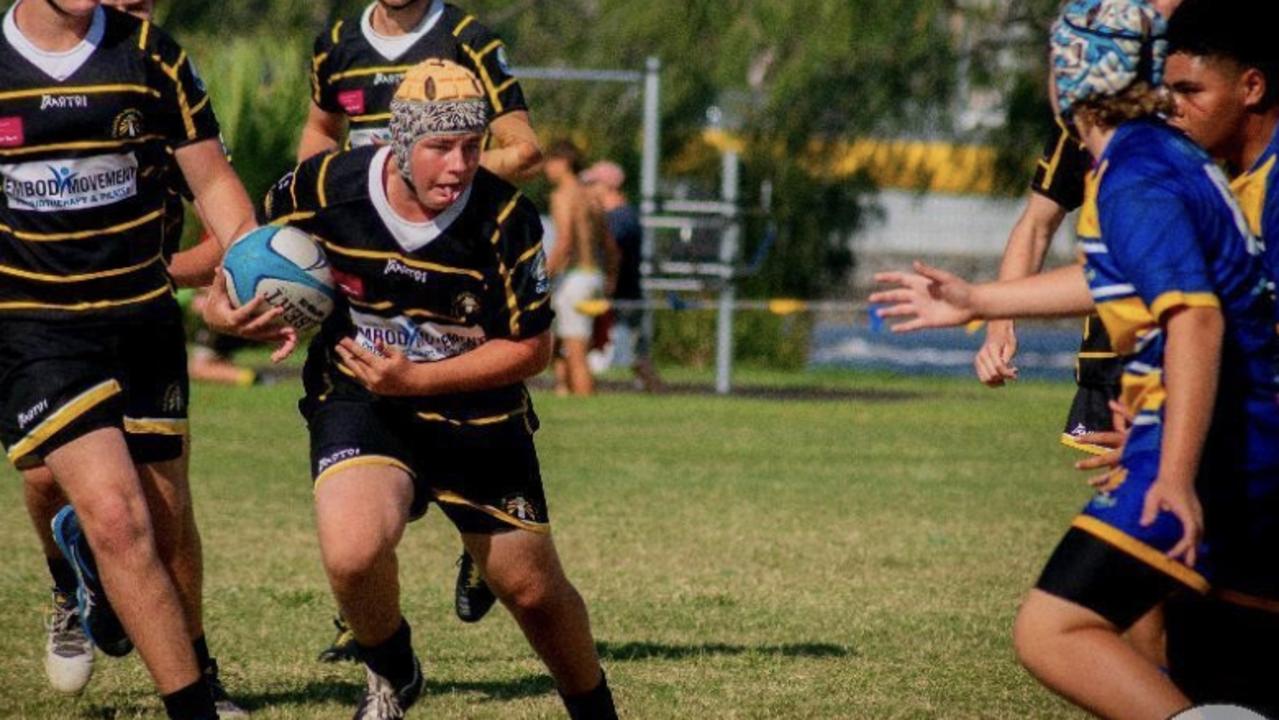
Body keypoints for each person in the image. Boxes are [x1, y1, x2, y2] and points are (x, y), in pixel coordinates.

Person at [871, 0, 1279, 717]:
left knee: (1052, 629)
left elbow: (1195, 320)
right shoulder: (1151, 157)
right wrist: (979, 301)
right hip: (1226, 440)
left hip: (1221, 451)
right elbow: (1132, 272)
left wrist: (1178, 468)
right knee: (1214, 664)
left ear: (1067, 76)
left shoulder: (1134, 175)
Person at [205, 59, 617, 719]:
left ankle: (595, 709)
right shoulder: (322, 187)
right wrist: (220, 310)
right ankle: (393, 669)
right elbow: (247, 255)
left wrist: (419, 377)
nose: (458, 166)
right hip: (361, 397)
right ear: (397, 145)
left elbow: (531, 350)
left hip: (477, 415)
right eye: (439, 147)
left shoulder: (505, 219)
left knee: (532, 592)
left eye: (472, 146)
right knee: (352, 551)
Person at [0, 1, 284, 718]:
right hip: (36, 327)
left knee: (162, 516)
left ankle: (186, 654)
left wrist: (244, 278)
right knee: (116, 517)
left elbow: (214, 183)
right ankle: (179, 692)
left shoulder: (152, 55)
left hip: (141, 320)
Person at [302, 0, 542, 650]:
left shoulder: (466, 38)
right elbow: (319, 137)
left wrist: (442, 173)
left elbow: (524, 148)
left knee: (475, 393)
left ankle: (483, 536)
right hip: (365, 264)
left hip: (453, 259)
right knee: (368, 459)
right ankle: (371, 614)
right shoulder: (337, 44)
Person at [545, 141, 620, 396]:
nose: (546, 168)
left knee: (575, 353)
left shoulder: (562, 196)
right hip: (594, 276)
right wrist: (610, 278)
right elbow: (611, 248)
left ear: (563, 162)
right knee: (572, 347)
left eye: (550, 162)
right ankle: (563, 391)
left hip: (574, 278)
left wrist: (541, 277)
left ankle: (585, 402)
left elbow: (564, 243)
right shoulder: (593, 197)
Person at [582, 160, 662, 392]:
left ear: (607, 186)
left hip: (621, 295)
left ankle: (581, 388)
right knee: (636, 354)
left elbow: (613, 253)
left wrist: (609, 283)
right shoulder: (621, 215)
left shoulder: (620, 218)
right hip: (622, 293)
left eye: (592, 184)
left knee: (635, 354)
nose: (588, 190)